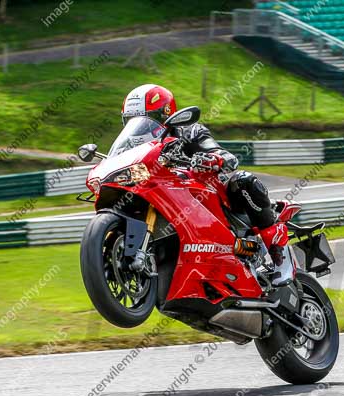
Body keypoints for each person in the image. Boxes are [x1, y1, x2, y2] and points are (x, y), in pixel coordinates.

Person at [120, 84, 294, 286]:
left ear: (165, 115)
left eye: (147, 120)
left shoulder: (189, 131)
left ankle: (281, 257)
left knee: (244, 181)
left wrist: (214, 159)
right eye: (131, 121)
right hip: (161, 195)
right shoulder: (131, 148)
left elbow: (218, 151)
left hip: (206, 194)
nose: (140, 126)